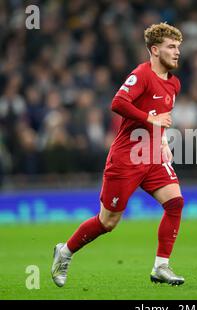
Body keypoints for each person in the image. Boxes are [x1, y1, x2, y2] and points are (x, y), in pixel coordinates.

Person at [51, 23, 185, 286]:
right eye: (171, 47)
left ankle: (161, 266)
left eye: (178, 47)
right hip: (126, 158)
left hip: (152, 157)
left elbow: (158, 119)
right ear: (155, 50)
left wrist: (163, 142)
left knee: (175, 203)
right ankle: (64, 251)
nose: (177, 52)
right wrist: (150, 118)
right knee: (108, 222)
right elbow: (118, 103)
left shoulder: (174, 84)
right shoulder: (142, 74)